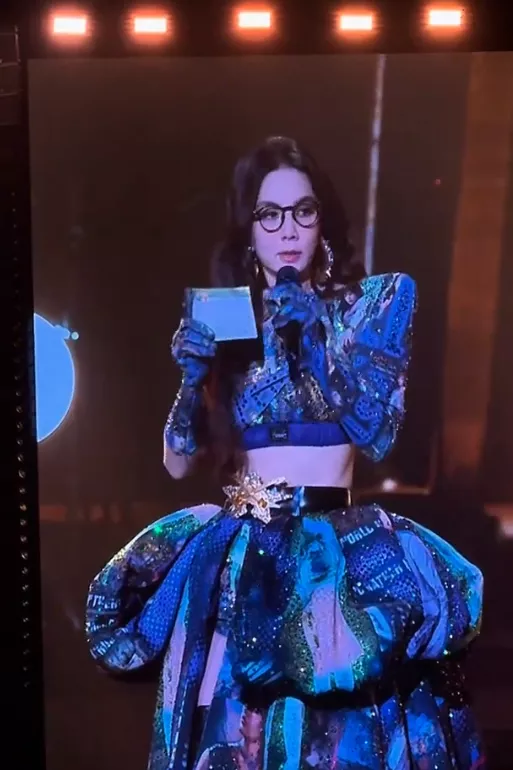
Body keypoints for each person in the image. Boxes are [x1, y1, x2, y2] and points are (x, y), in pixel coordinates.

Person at [85, 136, 485, 770]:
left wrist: (318, 341)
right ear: (249, 231)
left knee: (332, 741)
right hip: (245, 556)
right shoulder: (228, 319)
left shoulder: (372, 305)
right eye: (269, 214)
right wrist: (191, 381)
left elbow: (379, 436)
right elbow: (177, 463)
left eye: (303, 210)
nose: (288, 230)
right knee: (234, 737)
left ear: (323, 221)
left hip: (335, 555)